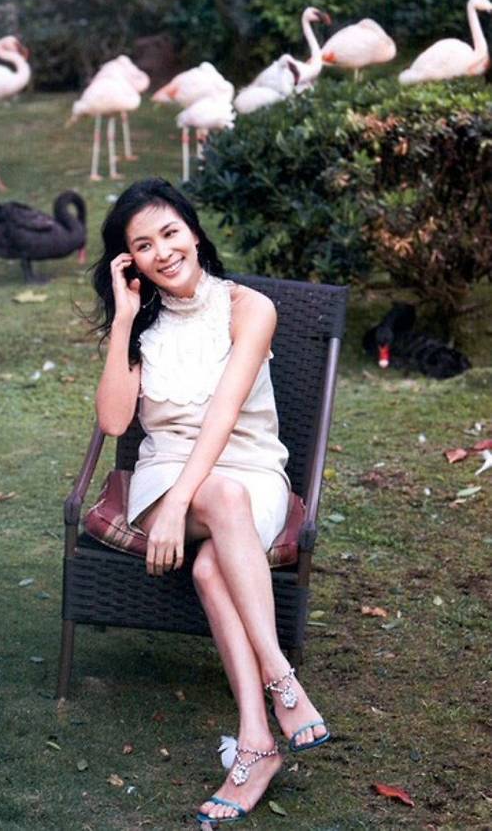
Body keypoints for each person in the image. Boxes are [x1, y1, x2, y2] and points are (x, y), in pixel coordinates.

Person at [93, 177, 329, 826]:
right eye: (143, 245)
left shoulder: (249, 308)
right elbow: (114, 421)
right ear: (130, 260)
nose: (162, 251)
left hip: (250, 470)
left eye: (170, 233)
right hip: (165, 474)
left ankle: (257, 740)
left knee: (207, 566)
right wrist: (122, 319)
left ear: (194, 233)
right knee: (218, 497)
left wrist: (181, 508)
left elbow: (224, 416)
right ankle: (282, 680)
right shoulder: (142, 323)